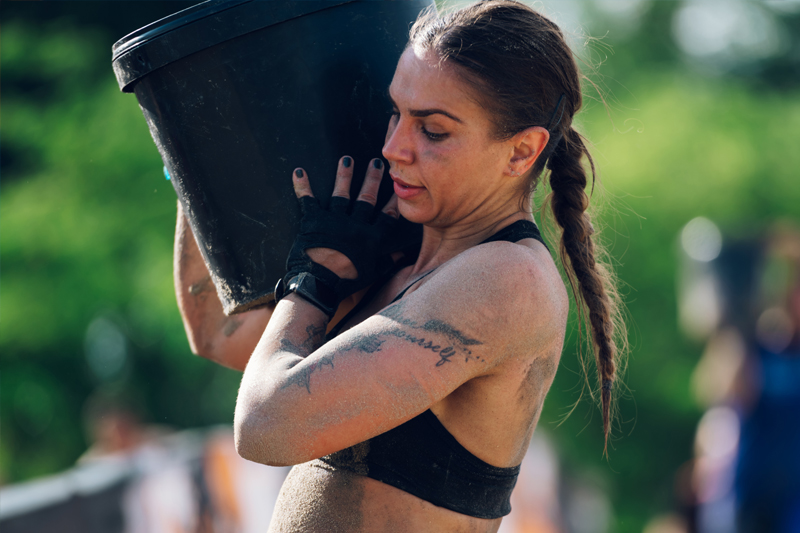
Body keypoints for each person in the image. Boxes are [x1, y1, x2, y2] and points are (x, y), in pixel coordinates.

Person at [175, 1, 625, 531]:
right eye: (395, 113)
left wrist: (313, 281)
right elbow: (219, 333)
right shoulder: (399, 263)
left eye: (432, 130)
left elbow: (265, 425)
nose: (393, 148)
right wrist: (204, 146)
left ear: (521, 152)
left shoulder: (507, 280)